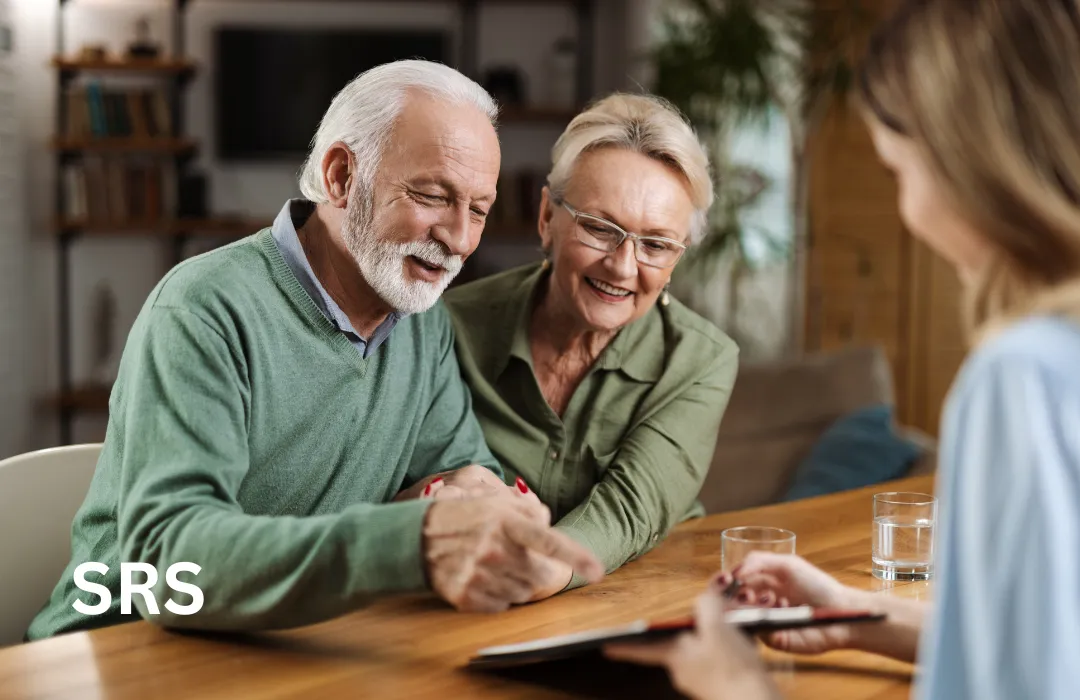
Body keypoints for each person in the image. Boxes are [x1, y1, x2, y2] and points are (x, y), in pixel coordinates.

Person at [27, 60, 602, 641]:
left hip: (282, 651)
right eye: (431, 195)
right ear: (341, 176)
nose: (457, 238)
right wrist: (413, 538)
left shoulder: (422, 325)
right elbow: (169, 569)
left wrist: (477, 502)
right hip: (111, 655)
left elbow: (458, 475)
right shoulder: (204, 309)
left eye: (478, 209)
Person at [605, 0, 1080, 698]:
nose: (908, 213)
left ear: (968, 162)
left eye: (900, 172)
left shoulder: (1021, 376)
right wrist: (862, 615)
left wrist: (740, 687)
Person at [444, 93, 739, 600]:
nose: (623, 266)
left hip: (637, 589)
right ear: (545, 218)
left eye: (656, 244)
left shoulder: (701, 360)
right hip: (472, 592)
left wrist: (543, 566)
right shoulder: (448, 326)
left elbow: (633, 505)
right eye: (601, 229)